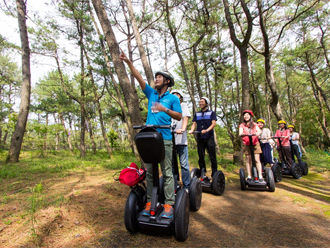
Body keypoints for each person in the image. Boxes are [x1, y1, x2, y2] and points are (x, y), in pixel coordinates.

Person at [119, 49, 182, 219]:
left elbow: (179, 116)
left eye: (159, 77)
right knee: (150, 171)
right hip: (149, 139)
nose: (156, 79)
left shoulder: (173, 99)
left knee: (167, 171)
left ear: (167, 81)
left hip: (165, 139)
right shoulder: (151, 93)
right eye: (156, 76)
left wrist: (164, 109)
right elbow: (139, 78)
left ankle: (169, 204)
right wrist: (128, 62)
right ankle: (149, 202)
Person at [188, 97, 217, 178]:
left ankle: (214, 173)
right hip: (200, 137)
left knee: (212, 156)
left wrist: (207, 130)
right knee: (201, 156)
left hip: (209, 137)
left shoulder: (211, 113)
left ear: (207, 103)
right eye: (200, 102)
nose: (200, 103)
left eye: (202, 102)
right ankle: (202, 172)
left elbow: (213, 124)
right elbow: (194, 123)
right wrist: (191, 130)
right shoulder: (197, 114)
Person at [171, 90, 191, 190]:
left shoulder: (183, 105)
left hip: (181, 140)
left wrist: (183, 129)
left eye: (176, 95)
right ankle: (175, 184)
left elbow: (186, 117)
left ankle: (187, 186)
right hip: (171, 140)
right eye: (172, 95)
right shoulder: (169, 108)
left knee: (184, 164)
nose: (174, 96)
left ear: (180, 97)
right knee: (172, 165)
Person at [238, 110, 263, 182]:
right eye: (245, 115)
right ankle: (249, 175)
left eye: (247, 115)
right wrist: (242, 134)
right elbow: (240, 132)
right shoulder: (242, 125)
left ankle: (260, 176)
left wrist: (258, 133)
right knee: (248, 160)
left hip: (255, 143)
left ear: (250, 116)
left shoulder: (255, 124)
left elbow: (259, 131)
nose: (246, 116)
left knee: (257, 160)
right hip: (247, 144)